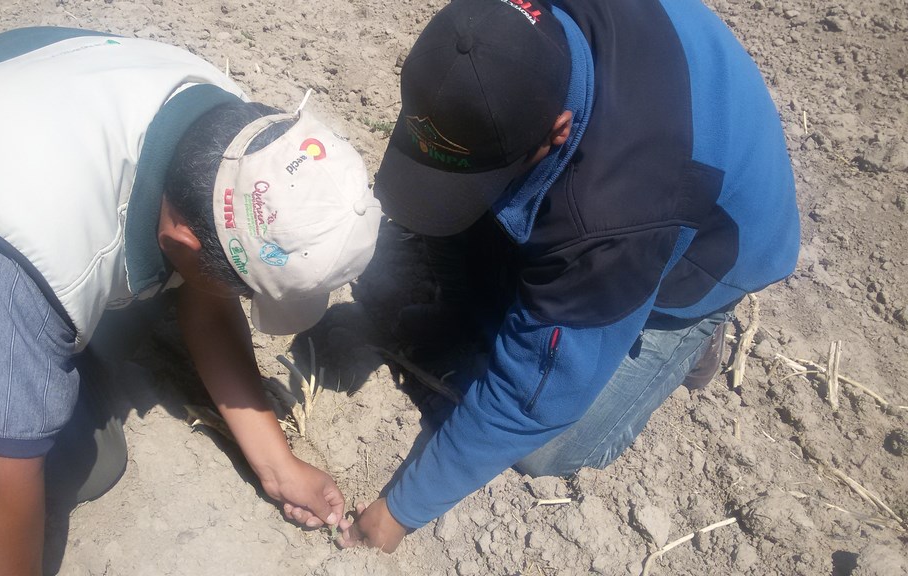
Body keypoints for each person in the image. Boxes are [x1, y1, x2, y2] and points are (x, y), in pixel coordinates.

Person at [0, 27, 381, 574]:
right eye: (244, 290)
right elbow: (2, 467)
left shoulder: (235, 136)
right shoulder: (35, 236)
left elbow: (207, 297)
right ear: (181, 243)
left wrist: (278, 467)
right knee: (88, 461)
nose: (240, 299)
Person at [338, 0, 800, 552]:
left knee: (546, 448)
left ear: (559, 130)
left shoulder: (616, 216)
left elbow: (529, 402)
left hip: (712, 247)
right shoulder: (500, 29)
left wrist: (400, 511)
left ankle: (692, 334)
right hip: (675, 112)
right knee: (457, 221)